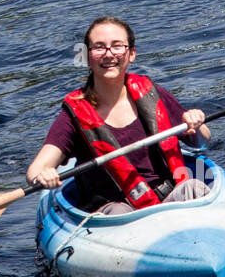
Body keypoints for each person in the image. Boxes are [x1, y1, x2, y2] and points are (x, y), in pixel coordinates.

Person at [25, 16, 211, 214]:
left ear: (131, 54)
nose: (109, 54)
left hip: (168, 198)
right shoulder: (75, 114)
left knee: (193, 188)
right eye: (99, 47)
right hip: (115, 215)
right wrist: (43, 175)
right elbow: (36, 169)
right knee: (119, 210)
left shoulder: (151, 94)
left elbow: (202, 141)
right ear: (87, 57)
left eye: (117, 46)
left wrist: (196, 125)